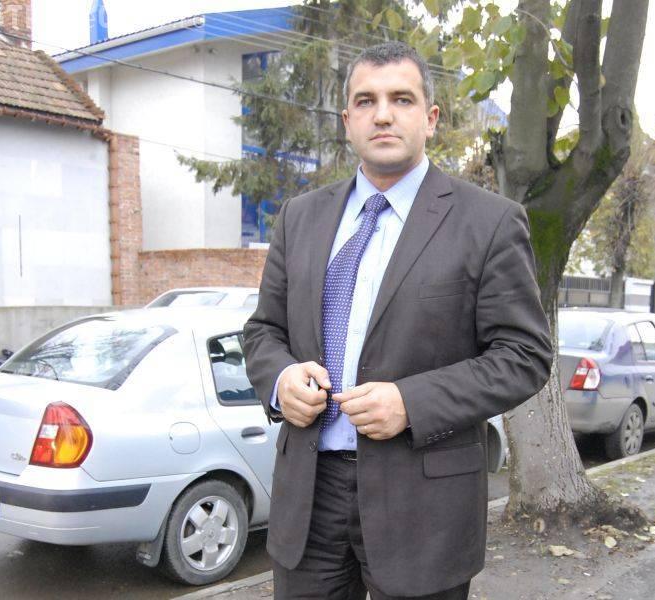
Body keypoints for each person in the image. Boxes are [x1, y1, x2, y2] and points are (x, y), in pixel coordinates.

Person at [243, 41, 552, 600]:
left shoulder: (489, 222)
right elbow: (264, 331)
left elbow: (524, 356)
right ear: (347, 121)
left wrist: (412, 402)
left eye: (401, 99)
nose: (382, 115)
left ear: (430, 118)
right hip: (308, 500)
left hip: (425, 508)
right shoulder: (299, 218)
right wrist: (281, 379)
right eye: (366, 101)